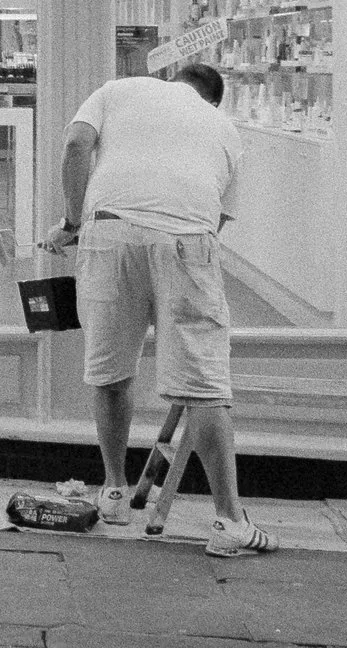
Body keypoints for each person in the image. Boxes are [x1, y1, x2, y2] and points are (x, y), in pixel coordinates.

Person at [41, 64, 275, 556]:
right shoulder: (224, 130)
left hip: (108, 232)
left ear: (172, 81)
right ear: (212, 100)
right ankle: (229, 522)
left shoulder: (117, 90)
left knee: (109, 372)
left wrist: (71, 221)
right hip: (186, 237)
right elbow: (219, 219)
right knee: (205, 387)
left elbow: (75, 146)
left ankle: (113, 492)